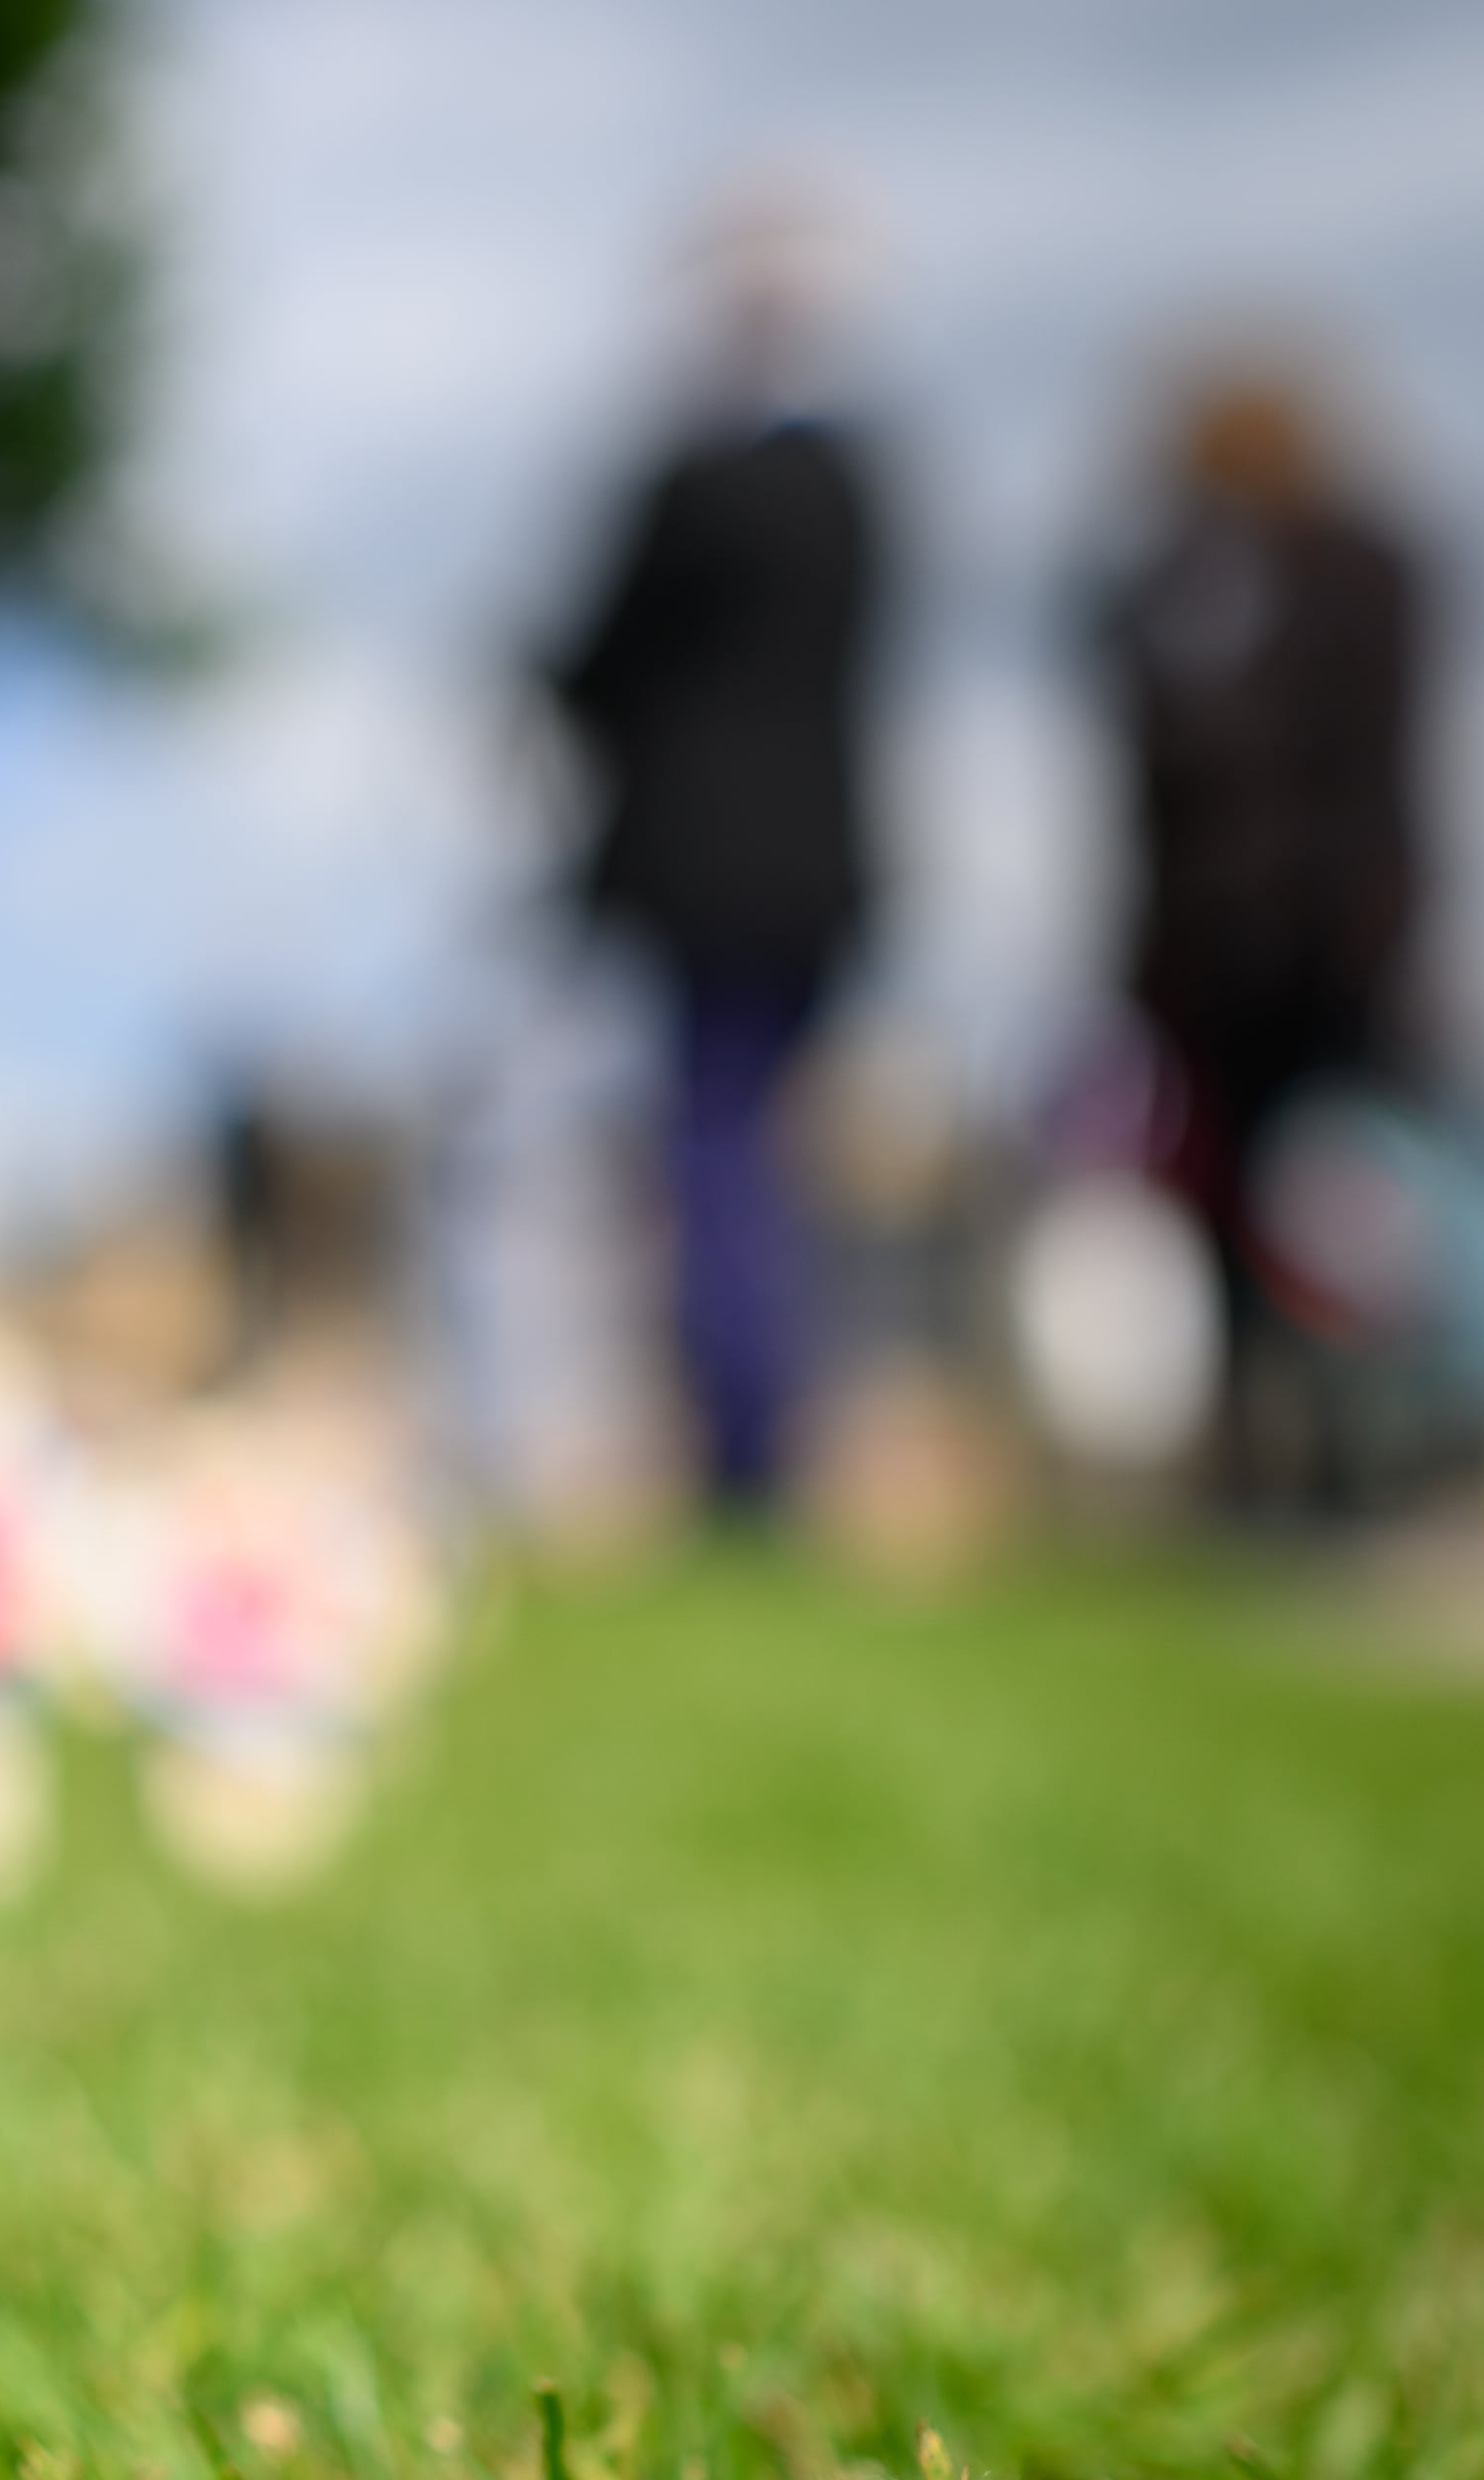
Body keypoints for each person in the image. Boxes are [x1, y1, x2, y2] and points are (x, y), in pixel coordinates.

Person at [547, 210, 888, 1520]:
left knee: (714, 1147)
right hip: (819, 873)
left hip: (696, 871)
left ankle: (743, 1446)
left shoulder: (690, 487)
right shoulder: (855, 487)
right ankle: (770, 1426)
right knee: (773, 1146)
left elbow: (594, 662)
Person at [1096, 355, 1434, 1499]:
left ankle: (1352, 1441)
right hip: (1209, 959)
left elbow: (1386, 765)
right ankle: (1252, 1439)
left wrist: (1376, 927)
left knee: (1336, 1200)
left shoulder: (1361, 572)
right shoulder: (1164, 587)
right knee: (1228, 1196)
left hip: (1325, 947)